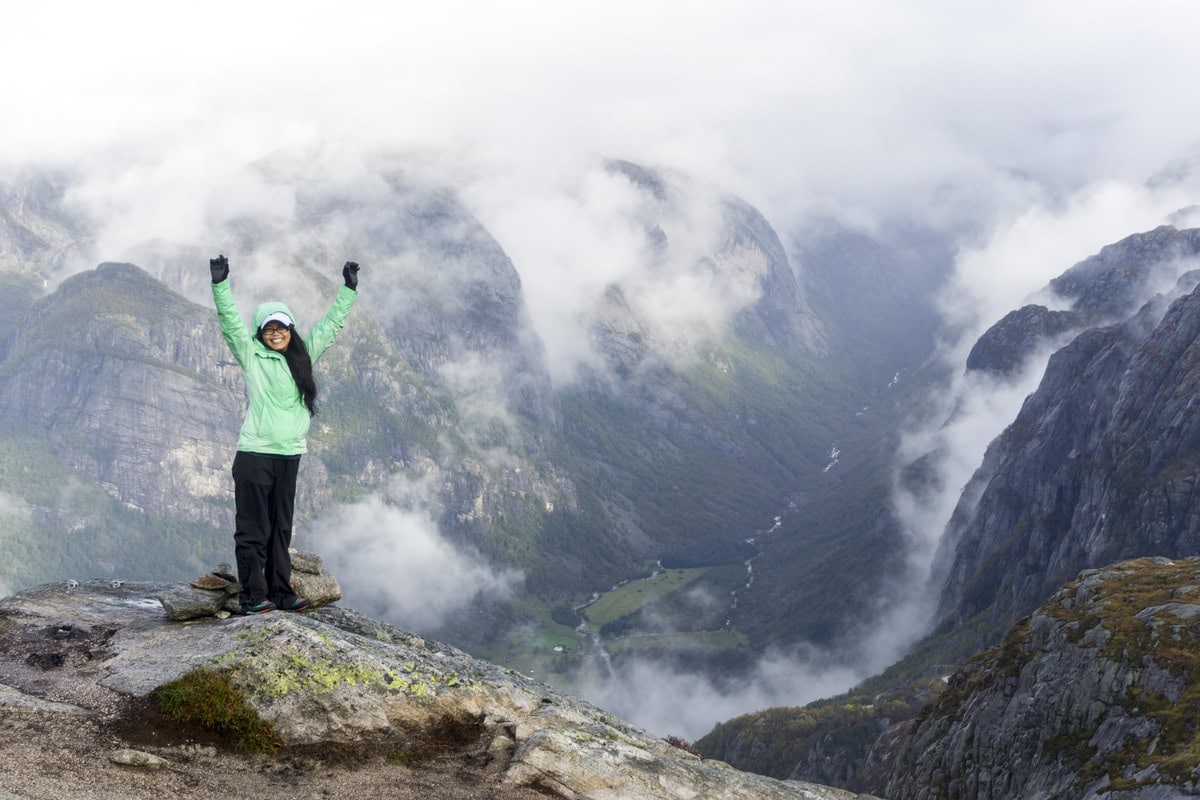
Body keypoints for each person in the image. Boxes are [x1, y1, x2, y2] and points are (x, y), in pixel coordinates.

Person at [209, 254, 360, 614]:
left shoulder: (303, 356)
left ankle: (281, 593)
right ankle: (252, 596)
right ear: (260, 333)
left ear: (291, 329)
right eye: (269, 329)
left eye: (282, 328)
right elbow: (230, 323)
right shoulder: (251, 355)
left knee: (280, 529)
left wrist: (349, 290)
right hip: (255, 454)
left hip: (289, 454)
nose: (276, 334)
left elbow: (331, 326)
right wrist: (220, 284)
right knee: (253, 529)